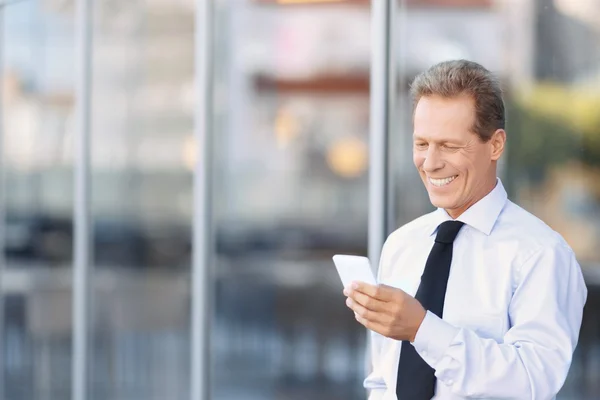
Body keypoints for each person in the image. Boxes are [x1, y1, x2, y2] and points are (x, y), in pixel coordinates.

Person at [343, 59, 588, 400]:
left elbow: (534, 382)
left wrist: (421, 329)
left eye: (449, 145)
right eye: (421, 144)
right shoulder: (401, 245)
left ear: (496, 145)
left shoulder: (541, 254)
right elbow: (385, 380)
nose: (430, 163)